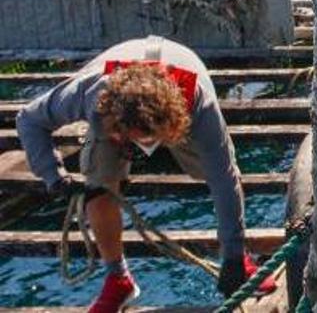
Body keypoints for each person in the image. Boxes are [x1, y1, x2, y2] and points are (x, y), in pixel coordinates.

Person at [15, 36, 274, 312]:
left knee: (212, 171)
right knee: (98, 187)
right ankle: (118, 278)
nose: (144, 148)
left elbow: (224, 179)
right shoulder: (90, 93)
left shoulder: (198, 103)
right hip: (114, 110)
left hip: (178, 98)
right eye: (134, 139)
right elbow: (29, 119)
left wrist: (232, 254)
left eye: (149, 141)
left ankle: (242, 259)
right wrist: (55, 177)